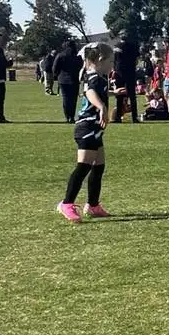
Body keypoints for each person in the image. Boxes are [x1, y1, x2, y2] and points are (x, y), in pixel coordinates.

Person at [57, 42, 113, 223]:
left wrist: (112, 94)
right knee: (84, 166)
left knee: (99, 166)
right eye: (110, 61)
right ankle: (66, 203)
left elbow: (95, 91)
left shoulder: (96, 76)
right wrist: (102, 106)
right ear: (101, 60)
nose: (112, 65)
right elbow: (90, 93)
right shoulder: (95, 77)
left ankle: (93, 205)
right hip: (87, 128)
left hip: (95, 128)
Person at [112, 31, 140, 124]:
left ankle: (118, 117)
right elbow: (136, 60)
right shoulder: (134, 46)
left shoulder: (116, 46)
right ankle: (134, 117)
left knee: (119, 94)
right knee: (132, 95)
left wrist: (114, 70)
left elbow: (114, 60)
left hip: (119, 72)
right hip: (130, 72)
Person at [53, 40, 83, 123]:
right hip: (74, 79)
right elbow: (81, 66)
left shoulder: (61, 55)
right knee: (73, 99)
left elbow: (55, 68)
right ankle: (72, 116)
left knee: (66, 99)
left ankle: (67, 116)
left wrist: (57, 75)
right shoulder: (77, 56)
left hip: (63, 80)